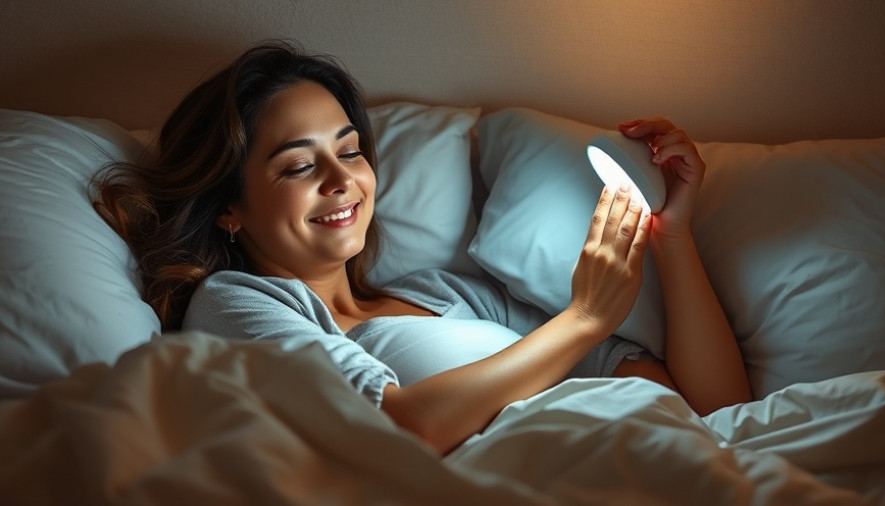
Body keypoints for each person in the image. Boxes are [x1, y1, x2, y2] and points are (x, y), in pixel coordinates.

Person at [93, 40, 752, 455]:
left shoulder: (448, 295)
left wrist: (672, 232)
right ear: (229, 208)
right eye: (298, 166)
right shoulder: (236, 301)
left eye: (350, 150)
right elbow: (395, 429)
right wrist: (584, 320)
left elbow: (721, 411)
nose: (341, 180)